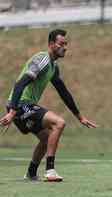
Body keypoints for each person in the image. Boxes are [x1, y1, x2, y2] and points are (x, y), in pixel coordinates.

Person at [0, 29, 98, 182]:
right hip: (20, 104)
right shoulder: (42, 60)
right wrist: (13, 111)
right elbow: (20, 84)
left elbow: (63, 92)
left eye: (66, 44)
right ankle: (50, 171)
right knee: (59, 123)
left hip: (23, 106)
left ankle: (31, 173)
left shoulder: (53, 66)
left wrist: (80, 117)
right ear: (51, 44)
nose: (65, 47)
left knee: (47, 138)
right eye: (61, 44)